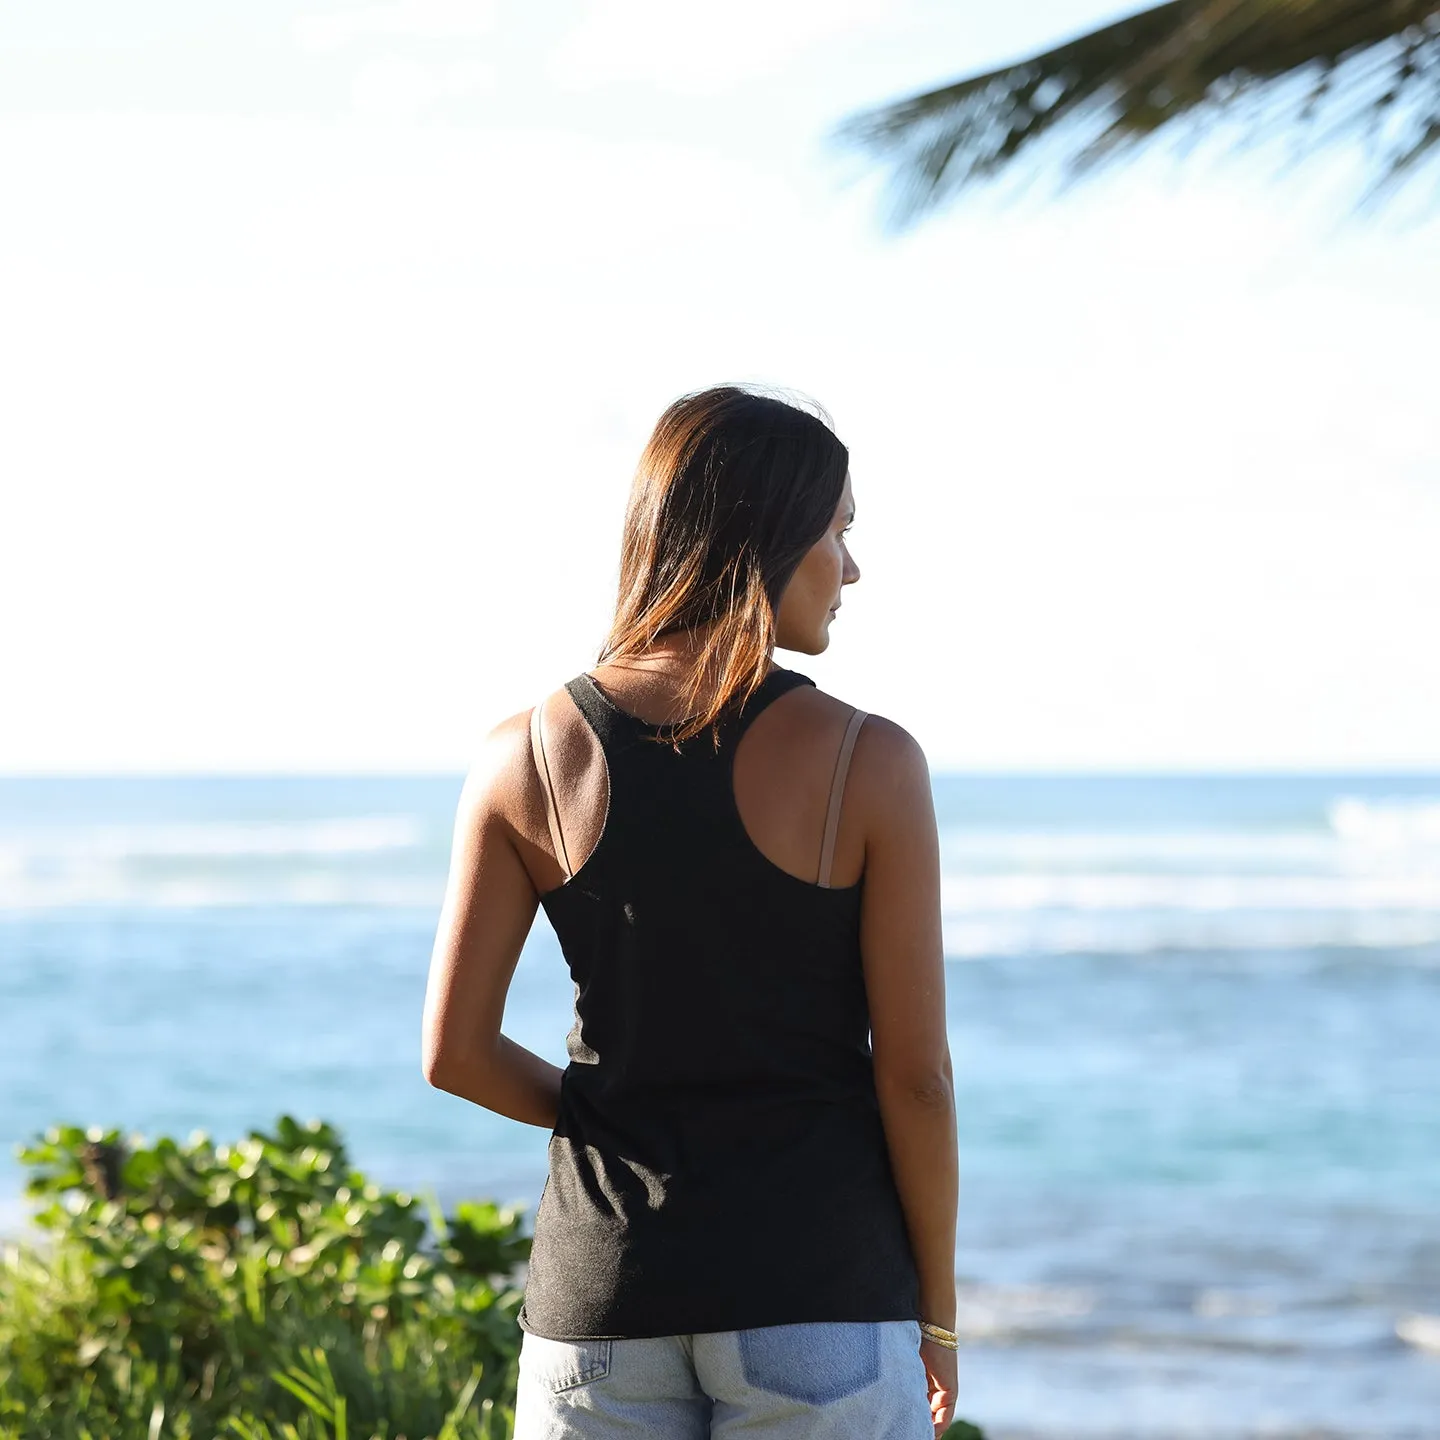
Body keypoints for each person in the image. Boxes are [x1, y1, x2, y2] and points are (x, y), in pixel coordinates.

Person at [422, 385, 959, 1438]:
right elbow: (916, 1077)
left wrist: (608, 1115)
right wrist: (936, 1316)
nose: (851, 567)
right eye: (838, 530)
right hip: (817, 1287)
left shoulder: (521, 755)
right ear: (766, 535)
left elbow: (455, 1054)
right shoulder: (868, 762)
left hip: (598, 1307)